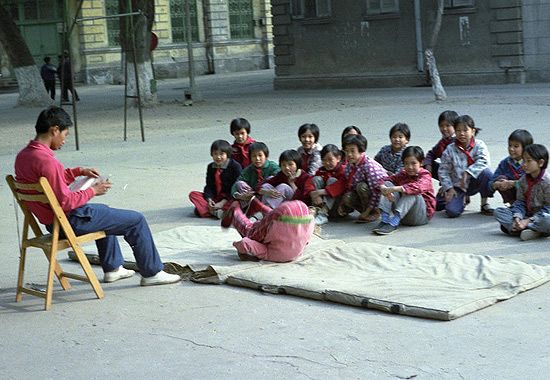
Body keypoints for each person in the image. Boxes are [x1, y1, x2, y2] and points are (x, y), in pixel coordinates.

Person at [14, 107, 180, 286]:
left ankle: (113, 268)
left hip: (51, 223)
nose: (64, 140)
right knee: (136, 220)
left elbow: (52, 181)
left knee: (104, 212)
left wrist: (79, 172)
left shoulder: (24, 156)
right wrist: (93, 190)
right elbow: (66, 202)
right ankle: (152, 272)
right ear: (54, 130)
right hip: (70, 221)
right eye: (65, 134)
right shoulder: (47, 161)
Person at [221, 198, 314, 262]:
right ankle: (255, 208)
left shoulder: (269, 253)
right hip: (298, 216)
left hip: (301, 215)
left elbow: (245, 243)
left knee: (253, 230)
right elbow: (245, 243)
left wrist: (241, 249)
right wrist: (240, 249)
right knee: (253, 231)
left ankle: (235, 211)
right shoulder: (268, 253)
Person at [437, 115, 494, 218]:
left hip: (474, 182)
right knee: (451, 211)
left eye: (465, 130)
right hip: (458, 185)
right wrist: (449, 188)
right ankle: (461, 200)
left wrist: (467, 173)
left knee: (487, 174)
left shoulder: (479, 145)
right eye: (458, 130)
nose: (462, 134)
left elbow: (484, 161)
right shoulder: (450, 149)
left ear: (473, 131)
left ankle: (484, 203)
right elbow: (443, 171)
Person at [374, 146, 436, 235]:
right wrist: (383, 187)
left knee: (411, 191)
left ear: (421, 163)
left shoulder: (425, 175)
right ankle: (385, 220)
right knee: (388, 184)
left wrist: (396, 188)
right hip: (404, 215)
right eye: (406, 163)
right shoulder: (403, 173)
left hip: (420, 216)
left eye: (413, 163)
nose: (410, 167)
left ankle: (394, 223)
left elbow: (417, 187)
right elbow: (385, 179)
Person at [494, 144, 550, 241]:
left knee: (547, 220)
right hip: (526, 215)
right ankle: (530, 230)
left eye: (528, 161)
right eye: (523, 160)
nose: (524, 164)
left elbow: (548, 208)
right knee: (499, 212)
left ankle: (520, 229)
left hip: (540, 217)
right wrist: (518, 218)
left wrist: (528, 221)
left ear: (540, 163)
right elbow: (520, 201)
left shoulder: (547, 182)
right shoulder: (523, 180)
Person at [339, 134, 386, 223]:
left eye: (352, 151)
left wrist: (368, 210)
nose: (349, 154)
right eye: (347, 151)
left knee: (361, 186)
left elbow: (377, 191)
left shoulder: (369, 166)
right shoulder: (350, 164)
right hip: (367, 194)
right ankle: (365, 212)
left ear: (361, 151)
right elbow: (348, 185)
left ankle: (374, 212)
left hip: (380, 197)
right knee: (347, 197)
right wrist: (342, 203)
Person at [188, 139, 242, 219]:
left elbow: (237, 187)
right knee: (193, 194)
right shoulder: (211, 167)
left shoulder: (235, 166)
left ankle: (210, 211)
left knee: (237, 203)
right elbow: (209, 186)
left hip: (229, 197)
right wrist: (209, 199)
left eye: (221, 154)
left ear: (227, 154)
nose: (218, 157)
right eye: (215, 154)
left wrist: (223, 202)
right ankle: (215, 212)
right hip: (216, 197)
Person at [489, 129, 533, 205]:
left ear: (525, 148)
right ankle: (513, 204)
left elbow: (534, 183)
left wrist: (513, 183)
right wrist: (496, 184)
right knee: (500, 178)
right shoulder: (505, 163)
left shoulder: (532, 163)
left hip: (531, 198)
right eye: (510, 145)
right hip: (514, 196)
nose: (511, 149)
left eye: (516, 146)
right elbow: (491, 182)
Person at [231, 142, 280, 210]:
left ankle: (265, 208)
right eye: (254, 156)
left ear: (266, 156)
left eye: (260, 155)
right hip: (253, 195)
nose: (257, 159)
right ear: (250, 158)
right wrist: (240, 196)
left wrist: (261, 190)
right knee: (240, 184)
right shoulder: (249, 169)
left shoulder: (272, 166)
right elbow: (237, 183)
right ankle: (250, 206)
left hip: (268, 195)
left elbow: (279, 177)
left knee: (270, 180)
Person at [310, 144, 347, 225]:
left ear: (338, 158)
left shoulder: (343, 170)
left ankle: (323, 213)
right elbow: (309, 184)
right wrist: (315, 194)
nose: (327, 163)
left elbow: (340, 186)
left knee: (332, 180)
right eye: (324, 160)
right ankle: (317, 209)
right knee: (316, 179)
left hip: (338, 207)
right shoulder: (321, 170)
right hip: (322, 202)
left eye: (330, 160)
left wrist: (319, 192)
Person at [423, 110, 458, 180]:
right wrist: (428, 165)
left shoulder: (458, 141)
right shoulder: (443, 141)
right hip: (445, 171)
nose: (444, 129)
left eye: (448, 126)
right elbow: (431, 154)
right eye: (441, 126)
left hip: (458, 175)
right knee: (420, 163)